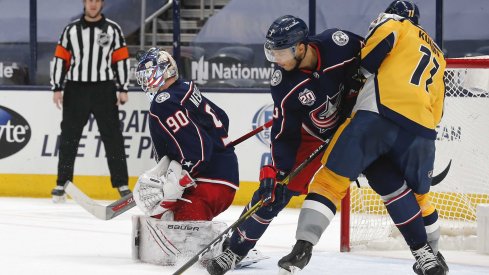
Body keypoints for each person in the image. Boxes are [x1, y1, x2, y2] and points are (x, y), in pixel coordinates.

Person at [278, 2, 448, 275]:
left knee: (330, 180)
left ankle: (303, 247)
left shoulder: (395, 23)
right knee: (413, 195)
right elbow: (438, 109)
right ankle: (429, 255)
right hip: (423, 130)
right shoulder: (439, 54)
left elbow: (380, 42)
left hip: (379, 113)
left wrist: (361, 73)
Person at [206, 15, 365, 275]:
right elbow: (284, 134)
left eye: (281, 53)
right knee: (273, 196)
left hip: (354, 128)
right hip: (311, 136)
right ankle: (234, 250)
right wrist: (279, 171)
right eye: (272, 53)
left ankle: (424, 245)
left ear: (301, 47)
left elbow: (375, 55)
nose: (276, 60)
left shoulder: (339, 43)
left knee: (390, 176)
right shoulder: (284, 83)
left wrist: (363, 77)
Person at [131, 48, 239, 222]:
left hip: (207, 182)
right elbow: (222, 118)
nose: (148, 82)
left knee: (178, 232)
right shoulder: (185, 88)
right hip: (225, 178)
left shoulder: (163, 102)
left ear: (167, 70)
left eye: (152, 74)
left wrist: (183, 175)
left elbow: (198, 147)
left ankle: (233, 248)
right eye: (145, 77)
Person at [50, 0, 130, 202]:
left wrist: (123, 88)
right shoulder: (70, 30)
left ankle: (121, 184)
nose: (93, 4)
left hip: (104, 89)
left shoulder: (113, 29)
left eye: (97, 0)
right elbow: (60, 59)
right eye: (89, 0)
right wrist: (57, 87)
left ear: (101, 4)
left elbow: (121, 59)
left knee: (113, 138)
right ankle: (62, 183)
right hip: (75, 89)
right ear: (84, 3)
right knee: (69, 138)